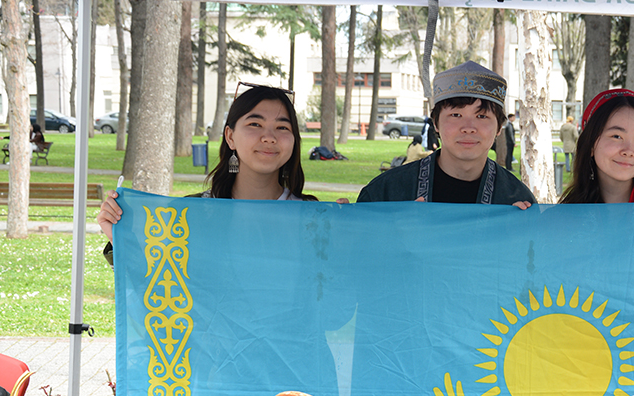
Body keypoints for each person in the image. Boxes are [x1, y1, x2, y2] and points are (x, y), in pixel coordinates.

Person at [96, 84, 319, 265]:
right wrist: (119, 239)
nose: (269, 137)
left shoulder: (313, 218)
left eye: (282, 128)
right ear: (230, 136)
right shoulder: (191, 214)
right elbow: (162, 282)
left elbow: (330, 295)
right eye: (255, 124)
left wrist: (347, 230)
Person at [356, 61, 536, 208]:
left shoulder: (515, 199)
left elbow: (534, 251)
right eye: (456, 115)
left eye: (481, 116)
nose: (468, 127)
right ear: (436, 123)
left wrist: (517, 232)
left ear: (499, 128)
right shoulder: (387, 193)